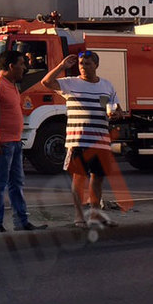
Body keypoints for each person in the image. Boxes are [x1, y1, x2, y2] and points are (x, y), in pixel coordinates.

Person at [40, 50, 120, 228]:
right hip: (78, 140)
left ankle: (95, 215)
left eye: (88, 64)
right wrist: (61, 66)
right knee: (79, 178)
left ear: (96, 66)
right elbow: (46, 82)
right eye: (81, 64)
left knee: (98, 178)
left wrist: (116, 114)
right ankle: (78, 216)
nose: (83, 67)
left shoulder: (107, 85)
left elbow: (116, 108)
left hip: (101, 140)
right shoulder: (70, 83)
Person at [0, 50, 47, 232]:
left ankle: (21, 222)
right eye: (22, 64)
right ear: (11, 66)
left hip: (14, 142)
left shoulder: (12, 84)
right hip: (2, 143)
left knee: (17, 183)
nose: (25, 67)